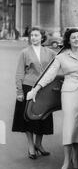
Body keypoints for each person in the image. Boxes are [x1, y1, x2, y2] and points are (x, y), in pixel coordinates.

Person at [27, 28, 78, 169]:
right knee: (69, 125)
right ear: (68, 41)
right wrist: (35, 89)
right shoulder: (62, 57)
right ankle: (66, 162)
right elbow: (50, 75)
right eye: (73, 38)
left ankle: (76, 160)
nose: (77, 39)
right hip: (68, 93)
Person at [12, 27, 56, 159]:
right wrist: (19, 91)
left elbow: (57, 67)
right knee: (28, 117)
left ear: (42, 37)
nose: (33, 38)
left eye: (36, 35)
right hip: (28, 87)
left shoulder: (50, 52)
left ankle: (39, 144)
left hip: (44, 89)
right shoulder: (24, 52)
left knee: (43, 117)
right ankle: (31, 146)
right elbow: (19, 72)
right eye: (32, 35)